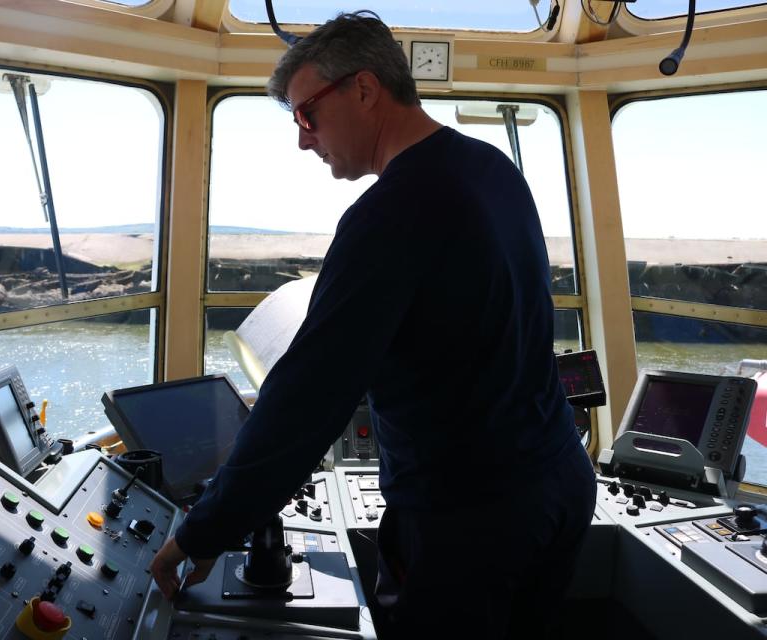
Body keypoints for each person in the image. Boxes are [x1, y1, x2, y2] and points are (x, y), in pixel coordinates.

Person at [151, 11, 596, 638]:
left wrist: (205, 531)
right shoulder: (492, 168)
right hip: (559, 481)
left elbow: (309, 397)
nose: (303, 139)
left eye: (307, 115)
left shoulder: (391, 212)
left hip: (469, 518)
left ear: (363, 89)